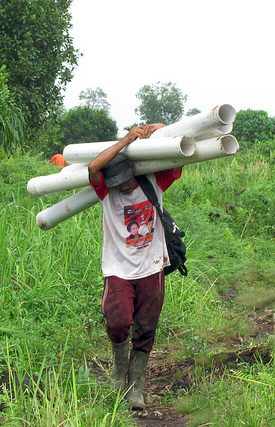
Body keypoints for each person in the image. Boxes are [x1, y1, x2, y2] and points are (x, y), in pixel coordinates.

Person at [88, 123, 182, 410]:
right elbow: (93, 167)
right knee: (117, 323)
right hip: (117, 268)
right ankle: (119, 374)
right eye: (116, 181)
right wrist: (125, 140)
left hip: (151, 266)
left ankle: (136, 388)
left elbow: (178, 156)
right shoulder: (105, 191)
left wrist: (161, 129)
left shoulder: (153, 183)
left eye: (125, 179)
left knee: (145, 327)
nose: (123, 186)